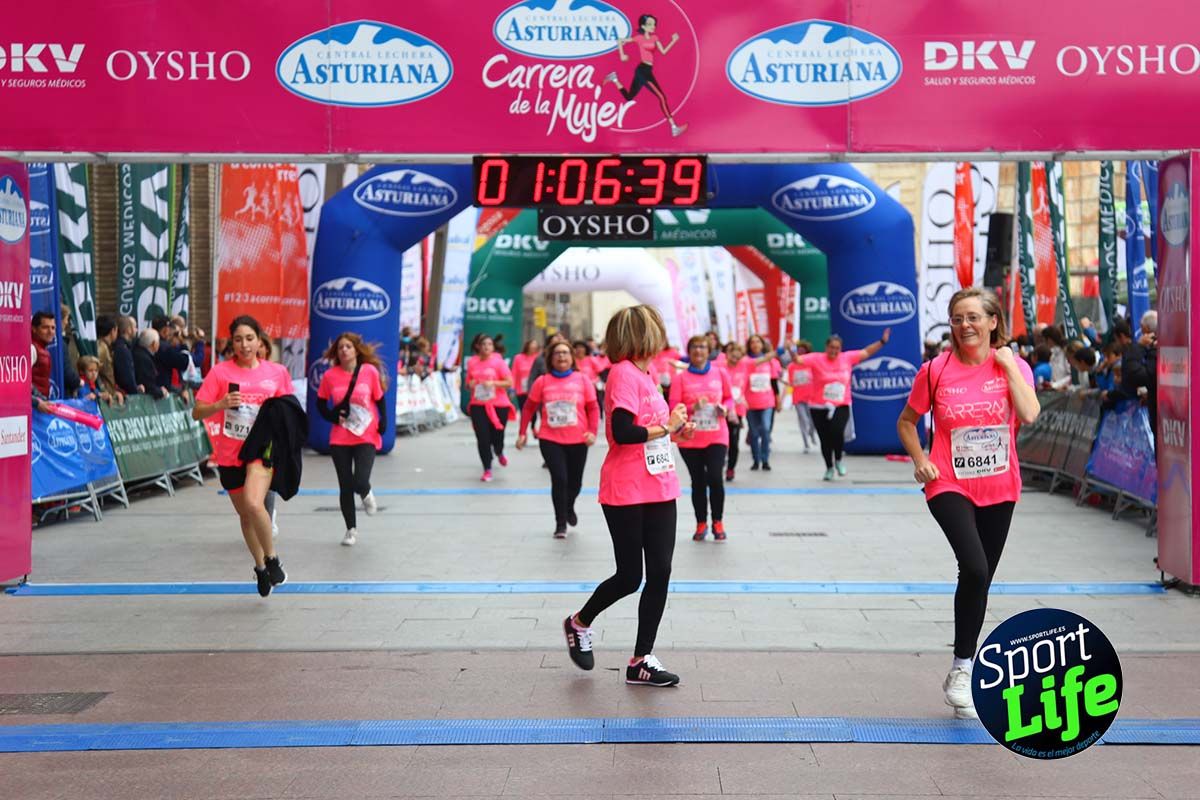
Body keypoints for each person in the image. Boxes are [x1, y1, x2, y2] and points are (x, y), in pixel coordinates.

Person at [896, 287, 1039, 720]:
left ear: (993, 321)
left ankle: (965, 666)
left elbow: (1029, 414)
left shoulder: (1014, 366)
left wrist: (1008, 365)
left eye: (974, 317)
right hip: (948, 482)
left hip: (999, 485)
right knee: (974, 568)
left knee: (982, 579)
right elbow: (907, 421)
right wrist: (920, 460)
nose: (965, 325)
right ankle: (962, 669)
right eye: (957, 318)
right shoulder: (935, 370)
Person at [563, 305, 693, 687]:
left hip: (660, 484)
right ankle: (579, 623)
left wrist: (676, 431)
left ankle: (641, 660)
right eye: (656, 328)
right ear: (642, 334)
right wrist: (665, 428)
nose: (661, 335)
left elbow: (650, 430)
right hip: (627, 488)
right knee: (630, 575)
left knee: (661, 571)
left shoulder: (648, 375)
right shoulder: (622, 373)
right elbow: (622, 432)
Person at [192, 316, 296, 598]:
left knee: (253, 503)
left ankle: (273, 560)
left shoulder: (276, 372)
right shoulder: (220, 373)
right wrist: (220, 403)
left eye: (249, 338)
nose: (244, 345)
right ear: (232, 343)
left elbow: (289, 409)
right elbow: (197, 411)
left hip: (262, 451)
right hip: (230, 453)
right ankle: (260, 568)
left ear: (259, 340)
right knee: (246, 516)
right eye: (238, 339)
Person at [516, 340, 599, 538]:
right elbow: (528, 408)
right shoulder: (542, 381)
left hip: (578, 439)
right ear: (550, 359)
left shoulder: (582, 380)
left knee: (575, 483)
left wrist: (592, 431)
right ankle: (560, 523)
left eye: (565, 352)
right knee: (560, 479)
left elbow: (593, 407)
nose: (561, 356)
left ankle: (568, 506)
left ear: (572, 357)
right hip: (550, 439)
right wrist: (522, 432)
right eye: (557, 353)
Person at [316, 332, 388, 547]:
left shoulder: (369, 372)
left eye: (348, 346)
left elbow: (380, 399)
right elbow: (321, 404)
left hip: (366, 433)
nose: (344, 350)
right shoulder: (330, 376)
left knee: (360, 480)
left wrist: (384, 421)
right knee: (345, 485)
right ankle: (351, 529)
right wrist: (332, 417)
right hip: (340, 437)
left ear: (356, 350)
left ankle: (366, 493)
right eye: (340, 347)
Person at [796, 328, 891, 480]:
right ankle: (829, 467)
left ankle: (838, 460)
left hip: (841, 404)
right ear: (826, 347)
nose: (834, 351)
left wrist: (882, 342)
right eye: (831, 347)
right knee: (825, 439)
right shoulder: (816, 358)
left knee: (837, 431)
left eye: (837, 348)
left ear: (841, 349)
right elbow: (798, 360)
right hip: (818, 406)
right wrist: (789, 349)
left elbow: (867, 352)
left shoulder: (847, 358)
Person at [670, 335, 736, 541]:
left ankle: (717, 521)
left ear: (709, 351)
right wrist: (693, 407)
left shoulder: (720, 373)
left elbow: (729, 397)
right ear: (689, 352)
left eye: (702, 347)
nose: (698, 350)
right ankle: (701, 523)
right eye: (694, 347)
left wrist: (725, 408)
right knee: (698, 481)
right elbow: (673, 407)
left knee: (715, 477)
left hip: (717, 434)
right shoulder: (680, 378)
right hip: (690, 438)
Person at [605, 14, 688, 137]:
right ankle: (673, 127)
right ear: (643, 26)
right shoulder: (639, 38)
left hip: (646, 70)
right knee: (661, 97)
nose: (653, 26)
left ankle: (614, 79)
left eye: (654, 24)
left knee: (629, 97)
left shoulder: (655, 37)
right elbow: (620, 40)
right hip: (643, 71)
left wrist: (673, 41)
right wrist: (622, 55)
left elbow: (663, 51)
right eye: (649, 24)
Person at [465, 334, 514, 482]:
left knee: (497, 435)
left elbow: (509, 382)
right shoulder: (472, 362)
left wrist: (493, 383)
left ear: (493, 347)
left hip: (499, 404)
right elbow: (468, 383)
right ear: (478, 346)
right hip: (478, 404)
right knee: (482, 437)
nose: (486, 347)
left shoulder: (499, 362)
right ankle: (487, 468)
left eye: (490, 344)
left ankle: (499, 451)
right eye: (484, 344)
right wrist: (470, 384)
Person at [742, 334, 781, 471]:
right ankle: (756, 459)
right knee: (753, 433)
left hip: (767, 402)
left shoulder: (770, 361)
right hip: (750, 403)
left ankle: (765, 459)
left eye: (758, 342)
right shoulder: (745, 361)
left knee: (765, 429)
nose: (755, 344)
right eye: (752, 342)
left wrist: (778, 399)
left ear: (762, 344)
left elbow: (774, 382)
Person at [783, 339, 818, 453]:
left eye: (803, 350)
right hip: (798, 397)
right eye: (799, 350)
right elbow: (790, 382)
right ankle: (806, 443)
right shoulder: (792, 366)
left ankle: (812, 433)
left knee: (813, 420)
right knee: (803, 420)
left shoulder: (811, 364)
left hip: (812, 397)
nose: (801, 352)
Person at [722, 342, 749, 481]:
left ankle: (731, 468)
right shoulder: (719, 367)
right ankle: (719, 462)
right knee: (721, 440)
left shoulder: (745, 367)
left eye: (738, 358)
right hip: (721, 410)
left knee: (734, 441)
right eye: (733, 357)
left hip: (737, 411)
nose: (735, 360)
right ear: (727, 355)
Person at [31, 311, 56, 412]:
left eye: (53, 328)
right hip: (33, 410)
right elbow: (20, 383)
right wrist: (37, 402)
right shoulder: (31, 348)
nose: (50, 332)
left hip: (39, 407)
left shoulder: (42, 349)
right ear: (34, 329)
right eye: (45, 327)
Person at [511, 339, 541, 422]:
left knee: (534, 410)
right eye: (531, 347)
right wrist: (512, 388)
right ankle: (524, 427)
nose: (533, 349)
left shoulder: (538, 358)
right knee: (523, 410)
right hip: (521, 390)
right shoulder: (518, 358)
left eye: (535, 348)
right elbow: (514, 373)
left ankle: (533, 425)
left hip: (534, 388)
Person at [133, 329, 167, 399]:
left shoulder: (139, 353)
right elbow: (148, 384)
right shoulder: (144, 359)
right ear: (154, 344)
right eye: (158, 342)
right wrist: (160, 391)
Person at [113, 316, 139, 396]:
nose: (137, 330)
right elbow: (126, 376)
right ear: (128, 329)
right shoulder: (122, 349)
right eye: (135, 327)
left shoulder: (125, 347)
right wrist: (134, 390)